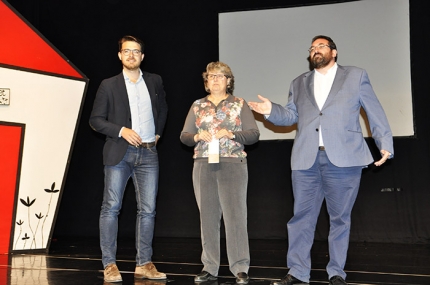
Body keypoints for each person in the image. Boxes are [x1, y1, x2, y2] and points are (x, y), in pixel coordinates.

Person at [248, 35, 393, 285]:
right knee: (300, 218)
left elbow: (374, 110)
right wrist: (271, 110)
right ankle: (297, 271)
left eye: (321, 46)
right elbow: (291, 116)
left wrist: (385, 144)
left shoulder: (356, 75)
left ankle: (336, 272)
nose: (315, 50)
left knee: (339, 219)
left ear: (334, 52)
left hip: (344, 159)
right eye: (312, 47)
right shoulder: (299, 82)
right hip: (307, 160)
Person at [89, 35, 168, 283]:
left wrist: (157, 134)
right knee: (111, 208)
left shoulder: (154, 81)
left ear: (142, 56)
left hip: (148, 153)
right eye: (126, 51)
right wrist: (122, 130)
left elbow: (163, 108)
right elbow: (95, 120)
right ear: (120, 55)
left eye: (136, 51)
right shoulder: (108, 85)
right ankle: (109, 265)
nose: (131, 55)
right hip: (119, 152)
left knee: (148, 210)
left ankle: (144, 263)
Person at [180, 62, 259, 284]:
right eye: (211, 76)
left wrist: (233, 134)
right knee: (207, 217)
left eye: (221, 76)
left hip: (232, 163)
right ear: (206, 81)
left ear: (228, 81)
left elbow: (254, 134)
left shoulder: (239, 104)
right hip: (203, 164)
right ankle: (210, 267)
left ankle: (240, 267)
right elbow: (184, 136)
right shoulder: (197, 105)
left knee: (236, 217)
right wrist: (196, 137)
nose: (215, 79)